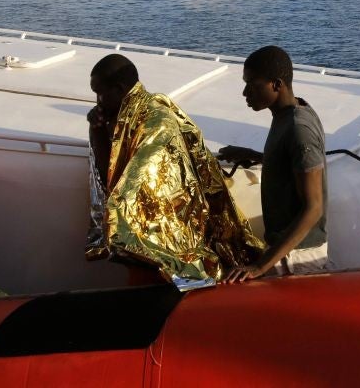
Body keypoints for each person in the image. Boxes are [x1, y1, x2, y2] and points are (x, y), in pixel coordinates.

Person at [85, 54, 262, 284]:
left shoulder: (155, 121)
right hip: (148, 244)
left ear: (119, 89)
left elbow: (131, 186)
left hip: (169, 239)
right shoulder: (127, 118)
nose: (98, 101)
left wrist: (116, 218)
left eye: (100, 93)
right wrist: (97, 129)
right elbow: (107, 173)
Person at [218, 45, 330, 282]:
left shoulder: (299, 129)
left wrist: (260, 266)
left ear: (276, 85)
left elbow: (314, 207)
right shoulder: (289, 113)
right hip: (287, 251)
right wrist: (255, 155)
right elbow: (292, 161)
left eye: (253, 84)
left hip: (297, 257)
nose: (245, 93)